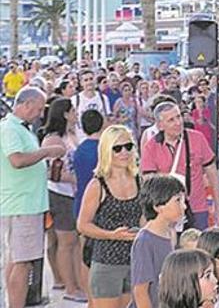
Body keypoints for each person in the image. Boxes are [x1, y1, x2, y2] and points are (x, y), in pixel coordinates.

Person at [1, 87, 65, 308]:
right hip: (22, 203)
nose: (39, 114)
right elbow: (17, 160)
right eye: (38, 109)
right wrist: (46, 152)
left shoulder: (20, 129)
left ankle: (13, 303)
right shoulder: (10, 129)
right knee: (24, 262)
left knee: (17, 260)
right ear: (26, 104)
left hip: (25, 202)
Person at [77, 125, 142, 308]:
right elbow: (82, 225)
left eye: (128, 146)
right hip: (106, 262)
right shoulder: (97, 185)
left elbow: (144, 217)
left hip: (136, 261)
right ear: (107, 150)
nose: (124, 152)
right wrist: (112, 235)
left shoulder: (140, 180)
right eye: (117, 148)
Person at [141, 102, 219, 230]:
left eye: (179, 117)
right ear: (160, 125)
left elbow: (213, 174)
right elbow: (149, 182)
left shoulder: (197, 138)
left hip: (197, 208)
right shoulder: (151, 146)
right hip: (168, 212)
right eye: (171, 120)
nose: (178, 123)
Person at [39, 97, 87, 303]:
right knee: (66, 242)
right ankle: (70, 286)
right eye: (73, 110)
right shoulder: (53, 139)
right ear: (65, 113)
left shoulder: (71, 134)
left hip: (72, 194)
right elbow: (52, 172)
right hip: (60, 195)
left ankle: (75, 282)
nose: (76, 113)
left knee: (74, 242)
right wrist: (75, 178)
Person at [131, 175, 187, 308]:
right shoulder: (145, 241)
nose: (184, 206)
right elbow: (140, 291)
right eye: (178, 200)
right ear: (158, 206)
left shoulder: (170, 233)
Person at [74, 69, 112, 139]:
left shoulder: (103, 98)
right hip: (81, 138)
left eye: (91, 79)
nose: (89, 82)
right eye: (86, 80)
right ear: (81, 83)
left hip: (100, 138)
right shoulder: (75, 100)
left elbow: (107, 118)